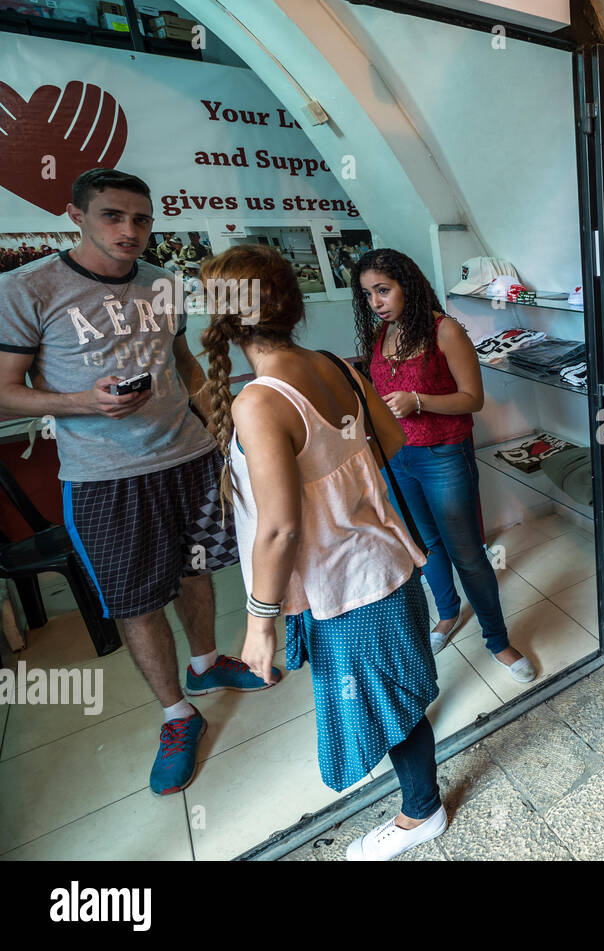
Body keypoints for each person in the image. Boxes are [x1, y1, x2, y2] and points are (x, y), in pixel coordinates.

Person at [0, 168, 272, 797]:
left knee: (196, 570)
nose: (130, 231)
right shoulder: (28, 288)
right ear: (76, 216)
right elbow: (5, 390)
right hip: (105, 476)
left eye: (142, 219)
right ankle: (178, 715)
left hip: (188, 456)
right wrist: (80, 402)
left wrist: (218, 423)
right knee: (136, 599)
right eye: (113, 217)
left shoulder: (163, 283)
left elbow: (180, 361)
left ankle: (206, 666)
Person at [199, 243, 446, 861]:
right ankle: (421, 800)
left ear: (224, 314)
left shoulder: (259, 400)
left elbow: (279, 529)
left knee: (388, 700)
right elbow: (388, 438)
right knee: (394, 690)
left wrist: (259, 627)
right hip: (380, 559)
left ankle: (422, 811)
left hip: (345, 584)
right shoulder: (332, 363)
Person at [352, 248, 536, 683]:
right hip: (397, 460)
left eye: (383, 290)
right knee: (426, 546)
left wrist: (419, 401)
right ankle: (448, 614)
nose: (375, 302)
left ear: (407, 286)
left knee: (468, 554)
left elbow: (473, 399)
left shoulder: (445, 330)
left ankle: (498, 641)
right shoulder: (382, 334)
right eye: (367, 294)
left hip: (442, 456)